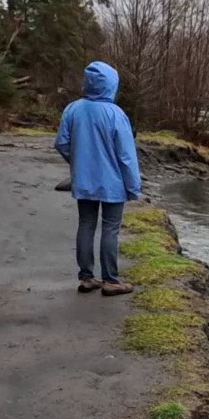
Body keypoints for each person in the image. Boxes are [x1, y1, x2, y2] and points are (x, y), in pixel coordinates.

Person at [55, 61, 141, 295]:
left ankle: (86, 278)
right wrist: (133, 186)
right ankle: (111, 281)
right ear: (112, 84)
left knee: (86, 224)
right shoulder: (116, 114)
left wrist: (77, 163)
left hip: (84, 181)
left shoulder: (72, 109)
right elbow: (126, 157)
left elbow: (62, 143)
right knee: (110, 229)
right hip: (114, 183)